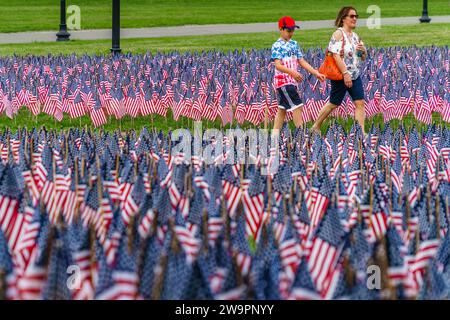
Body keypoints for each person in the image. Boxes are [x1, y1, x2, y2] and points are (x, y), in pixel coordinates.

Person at [312, 6, 368, 134]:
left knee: (360, 103)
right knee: (334, 103)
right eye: (352, 16)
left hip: (355, 75)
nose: (355, 19)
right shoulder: (338, 34)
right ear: (343, 19)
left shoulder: (355, 36)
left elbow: (361, 57)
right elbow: (335, 55)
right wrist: (345, 74)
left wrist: (363, 51)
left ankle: (361, 132)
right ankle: (316, 126)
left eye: (356, 16)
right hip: (341, 75)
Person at [271, 16, 326, 132]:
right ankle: (301, 135)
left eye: (293, 30)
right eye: (288, 30)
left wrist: (316, 73)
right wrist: (293, 73)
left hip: (291, 81)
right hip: (283, 81)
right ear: (281, 29)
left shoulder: (294, 44)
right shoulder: (277, 45)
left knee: (282, 110)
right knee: (298, 106)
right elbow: (278, 65)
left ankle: (274, 136)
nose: (291, 33)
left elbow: (301, 61)